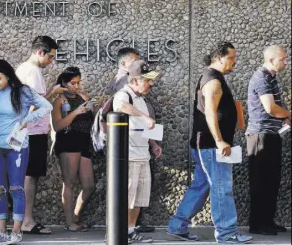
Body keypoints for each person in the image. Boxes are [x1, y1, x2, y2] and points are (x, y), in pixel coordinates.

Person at [167, 42, 253, 244]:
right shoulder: (213, 80)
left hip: (208, 145)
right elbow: (210, 114)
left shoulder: (214, 78)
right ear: (220, 57)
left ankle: (177, 225)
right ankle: (226, 233)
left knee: (201, 185)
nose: (235, 61)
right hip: (211, 146)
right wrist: (220, 141)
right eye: (232, 57)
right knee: (221, 187)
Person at [0, 59, 53, 243]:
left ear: (8, 76)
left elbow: (47, 106)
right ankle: (0, 230)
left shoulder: (23, 91)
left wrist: (27, 120)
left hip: (17, 146)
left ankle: (16, 230)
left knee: (16, 187)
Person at [106, 47, 161, 233]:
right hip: (128, 156)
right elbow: (120, 106)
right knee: (127, 198)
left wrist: (153, 144)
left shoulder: (142, 99)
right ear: (136, 79)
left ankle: (130, 230)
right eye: (148, 80)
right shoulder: (124, 94)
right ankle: (120, 232)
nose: (151, 84)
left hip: (143, 155)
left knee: (139, 198)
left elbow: (144, 125)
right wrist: (144, 117)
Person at [16, 35, 63, 235]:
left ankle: (23, 220)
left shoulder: (22, 69)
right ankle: (27, 220)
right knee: (30, 176)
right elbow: (35, 103)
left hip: (27, 130)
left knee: (27, 175)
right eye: (50, 57)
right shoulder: (33, 71)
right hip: (32, 132)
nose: (51, 61)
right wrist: (53, 93)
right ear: (40, 52)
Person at [245, 45, 290, 235]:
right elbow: (270, 108)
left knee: (271, 181)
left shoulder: (271, 78)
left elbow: (277, 106)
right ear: (271, 60)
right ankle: (257, 224)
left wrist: (285, 115)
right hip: (260, 136)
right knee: (260, 181)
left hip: (271, 135)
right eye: (283, 59)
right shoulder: (262, 77)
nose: (286, 62)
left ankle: (268, 221)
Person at [51, 67, 96, 232]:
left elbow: (94, 116)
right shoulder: (59, 100)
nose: (76, 86)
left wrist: (95, 106)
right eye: (72, 83)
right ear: (64, 83)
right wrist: (76, 112)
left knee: (89, 185)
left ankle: (75, 216)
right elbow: (57, 126)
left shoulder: (83, 96)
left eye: (78, 82)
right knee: (69, 182)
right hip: (68, 142)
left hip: (83, 142)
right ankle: (70, 222)